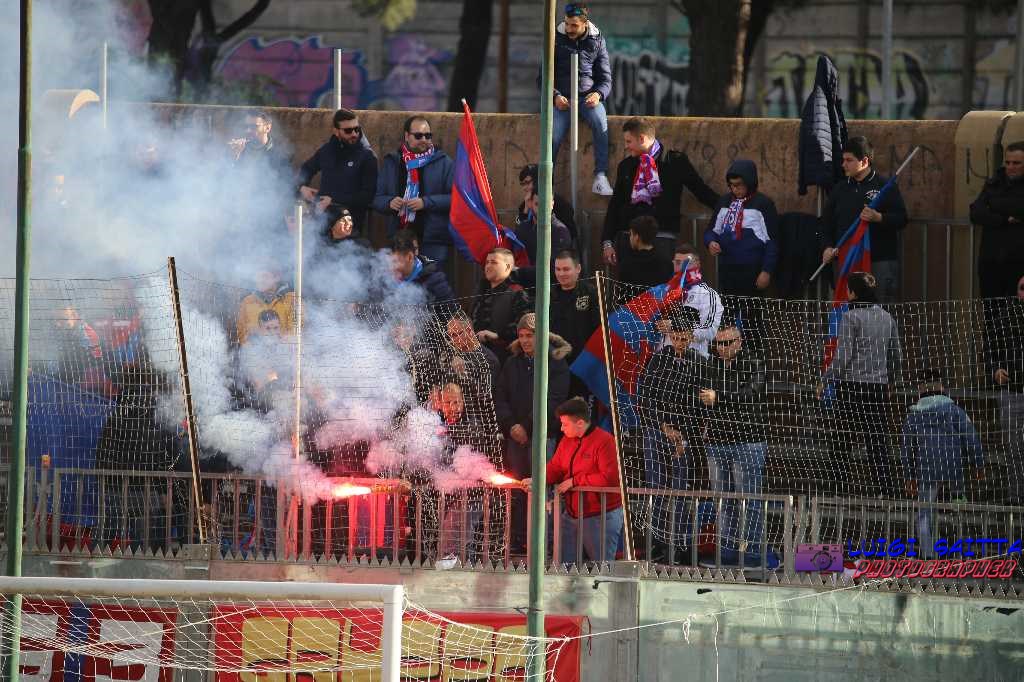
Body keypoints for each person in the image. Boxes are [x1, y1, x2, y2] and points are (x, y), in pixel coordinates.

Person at [635, 305, 710, 562]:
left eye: (683, 338)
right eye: (675, 337)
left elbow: (699, 406)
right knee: (656, 487)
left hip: (685, 435)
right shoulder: (657, 360)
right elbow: (646, 397)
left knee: (681, 490)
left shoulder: (700, 363)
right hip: (657, 431)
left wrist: (684, 437)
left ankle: (679, 543)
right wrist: (663, 427)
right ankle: (656, 543)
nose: (679, 342)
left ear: (690, 338)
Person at [818, 272, 903, 497]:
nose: (846, 294)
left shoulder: (850, 318)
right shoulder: (886, 317)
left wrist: (825, 380)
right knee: (877, 440)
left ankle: (840, 489)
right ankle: (885, 489)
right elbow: (896, 355)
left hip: (852, 387)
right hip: (877, 387)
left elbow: (843, 357)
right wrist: (891, 380)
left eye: (848, 289)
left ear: (854, 292)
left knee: (842, 440)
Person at [494, 313, 572, 552]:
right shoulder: (512, 362)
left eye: (531, 335)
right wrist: (511, 426)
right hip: (515, 438)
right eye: (522, 336)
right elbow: (501, 396)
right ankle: (518, 540)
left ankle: (544, 542)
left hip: (543, 436)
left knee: (541, 488)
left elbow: (553, 401)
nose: (526, 340)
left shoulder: (556, 362)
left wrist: (526, 427)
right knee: (518, 490)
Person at [698, 318, 770, 567]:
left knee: (748, 500)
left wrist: (719, 398)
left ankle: (751, 555)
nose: (721, 347)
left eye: (727, 342)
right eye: (718, 343)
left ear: (739, 342)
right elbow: (702, 396)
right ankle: (727, 554)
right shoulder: (710, 365)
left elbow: (749, 394)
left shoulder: (754, 363)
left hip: (747, 442)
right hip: (717, 441)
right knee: (723, 501)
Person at [603, 117, 719, 267]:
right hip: (630, 240)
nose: (626, 146)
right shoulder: (626, 166)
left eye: (628, 141)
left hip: (662, 240)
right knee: (629, 289)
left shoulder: (674, 162)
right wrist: (607, 241)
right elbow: (615, 205)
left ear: (642, 138)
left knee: (661, 288)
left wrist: (729, 205)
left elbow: (701, 191)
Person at [521, 397, 622, 564]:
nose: (561, 429)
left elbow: (610, 477)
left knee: (602, 569)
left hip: (600, 516)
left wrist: (575, 481)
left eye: (565, 424)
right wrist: (537, 480)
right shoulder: (567, 441)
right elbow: (555, 468)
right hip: (571, 515)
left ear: (580, 423)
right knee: (565, 567)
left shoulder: (605, 442)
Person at [900, 371, 984, 554]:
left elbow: (906, 450)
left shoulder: (913, 416)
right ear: (942, 388)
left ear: (920, 390)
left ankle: (929, 557)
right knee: (959, 511)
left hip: (928, 471)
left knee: (923, 517)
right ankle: (962, 553)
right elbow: (971, 438)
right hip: (954, 472)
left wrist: (909, 476)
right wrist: (978, 463)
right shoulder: (955, 411)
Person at [820, 136, 909, 303]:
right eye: (843, 160)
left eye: (849, 160)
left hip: (880, 261)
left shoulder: (884, 186)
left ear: (865, 161)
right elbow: (826, 223)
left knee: (881, 310)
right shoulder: (839, 189)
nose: (843, 164)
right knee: (847, 312)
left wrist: (878, 217)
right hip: (848, 261)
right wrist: (827, 247)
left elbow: (902, 218)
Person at [545, 3, 613, 196]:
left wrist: (598, 94)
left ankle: (600, 177)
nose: (569, 29)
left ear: (585, 24)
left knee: (601, 124)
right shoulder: (555, 38)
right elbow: (543, 78)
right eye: (567, 24)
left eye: (574, 25)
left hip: (586, 98)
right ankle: (545, 185)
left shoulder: (597, 40)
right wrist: (555, 96)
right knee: (553, 136)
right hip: (562, 101)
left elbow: (606, 79)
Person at [373, 115, 455, 267]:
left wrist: (425, 203)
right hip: (400, 239)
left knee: (433, 286)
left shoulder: (444, 162)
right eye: (418, 135)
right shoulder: (393, 162)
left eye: (428, 135)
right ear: (407, 136)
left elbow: (456, 199)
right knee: (402, 288)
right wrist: (390, 202)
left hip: (433, 240)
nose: (424, 139)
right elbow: (377, 198)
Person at [704, 159, 779, 296]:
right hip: (727, 270)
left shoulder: (763, 204)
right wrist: (710, 242)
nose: (735, 189)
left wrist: (767, 271)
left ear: (749, 182)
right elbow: (711, 231)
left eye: (739, 185)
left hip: (753, 271)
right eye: (731, 185)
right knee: (728, 313)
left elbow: (772, 241)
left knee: (751, 315)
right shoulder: (724, 202)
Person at [298, 108, 378, 236]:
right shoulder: (327, 151)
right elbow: (306, 169)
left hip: (349, 227)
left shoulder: (367, 156)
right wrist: (302, 187)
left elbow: (368, 196)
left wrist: (334, 199)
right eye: (348, 130)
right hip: (321, 222)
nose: (354, 134)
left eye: (356, 129)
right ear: (336, 131)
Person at [969, 141, 1024, 301]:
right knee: (992, 314)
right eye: (1008, 162)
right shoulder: (994, 183)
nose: (1011, 167)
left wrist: (994, 209)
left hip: (1019, 262)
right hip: (991, 261)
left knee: (1017, 315)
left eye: (1016, 163)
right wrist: (1004, 219)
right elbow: (976, 212)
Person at [655, 244, 722, 358]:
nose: (682, 267)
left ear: (698, 264)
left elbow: (710, 330)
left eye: (687, 263)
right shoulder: (663, 291)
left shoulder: (707, 295)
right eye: (677, 262)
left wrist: (675, 325)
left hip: (693, 361)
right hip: (664, 360)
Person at [550, 250, 601, 398]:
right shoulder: (548, 294)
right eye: (557, 269)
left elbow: (598, 329)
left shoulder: (590, 293)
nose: (561, 274)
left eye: (566, 269)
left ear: (578, 269)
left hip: (582, 364)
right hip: (555, 364)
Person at [471, 248, 532, 363]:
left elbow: (524, 326)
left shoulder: (517, 292)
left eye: (494, 262)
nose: (488, 266)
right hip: (479, 358)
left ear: (508, 267)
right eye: (487, 262)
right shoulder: (482, 293)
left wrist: (498, 335)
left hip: (506, 359)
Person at [390, 231, 457, 317]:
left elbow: (453, 317)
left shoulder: (434, 280)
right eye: (390, 261)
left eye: (396, 261)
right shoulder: (388, 280)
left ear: (409, 257)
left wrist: (418, 328)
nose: (392, 267)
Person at [517, 164, 577, 244]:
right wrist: (526, 210)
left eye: (527, 183)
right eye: (522, 184)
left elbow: (570, 235)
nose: (524, 187)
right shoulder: (524, 205)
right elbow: (520, 233)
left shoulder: (561, 206)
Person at [515, 189, 573, 269]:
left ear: (552, 204)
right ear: (530, 203)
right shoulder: (522, 229)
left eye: (545, 204)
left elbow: (551, 269)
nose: (542, 209)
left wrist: (517, 272)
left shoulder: (560, 232)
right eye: (537, 204)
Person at [237, 270, 296, 345]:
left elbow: (297, 331)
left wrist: (279, 344)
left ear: (277, 277)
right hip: (256, 352)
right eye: (257, 277)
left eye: (265, 276)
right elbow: (241, 332)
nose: (260, 280)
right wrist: (252, 347)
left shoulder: (291, 299)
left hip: (284, 352)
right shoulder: (247, 301)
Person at [617, 216, 675, 289]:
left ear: (637, 237)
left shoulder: (627, 264)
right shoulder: (666, 262)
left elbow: (623, 296)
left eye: (631, 234)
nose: (630, 238)